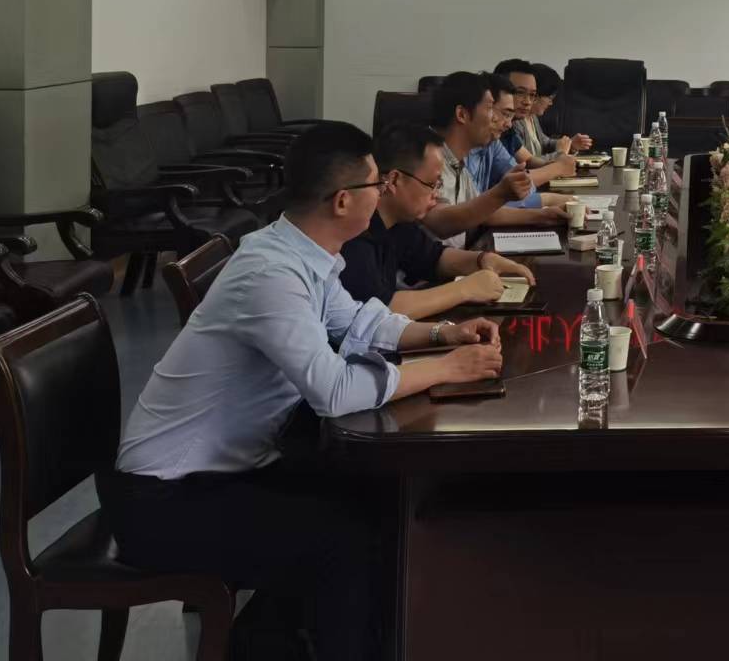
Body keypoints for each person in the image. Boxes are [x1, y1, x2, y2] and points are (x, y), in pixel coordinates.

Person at [99, 123, 505, 660]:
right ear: (343, 201)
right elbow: (332, 390)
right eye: (375, 184)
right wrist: (446, 368)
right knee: (342, 542)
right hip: (166, 500)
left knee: (380, 498)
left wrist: (442, 335)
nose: (383, 191)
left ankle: (282, 641)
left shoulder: (305, 253)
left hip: (230, 468)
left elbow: (361, 322)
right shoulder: (271, 273)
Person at [341, 121, 538, 318]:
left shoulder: (398, 223)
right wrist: (465, 289)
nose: (436, 194)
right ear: (394, 180)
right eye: (431, 184)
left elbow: (434, 258)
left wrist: (482, 259)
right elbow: (380, 311)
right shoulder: (355, 234)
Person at [425, 71, 562, 247]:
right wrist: (500, 194)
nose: (495, 119)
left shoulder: (458, 161)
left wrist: (544, 216)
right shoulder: (426, 158)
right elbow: (441, 223)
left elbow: (482, 213)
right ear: (462, 115)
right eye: (490, 108)